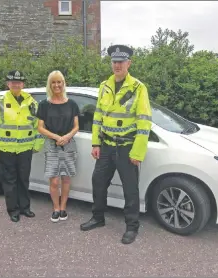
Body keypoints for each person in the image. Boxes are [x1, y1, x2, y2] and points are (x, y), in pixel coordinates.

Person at [80, 45, 152, 244]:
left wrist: (137, 151)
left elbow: (144, 121)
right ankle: (98, 217)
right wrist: (96, 143)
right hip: (106, 146)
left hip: (127, 147)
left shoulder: (138, 88)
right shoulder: (104, 86)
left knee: (130, 189)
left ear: (129, 63)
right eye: (114, 61)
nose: (117, 65)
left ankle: (132, 227)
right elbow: (98, 117)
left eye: (121, 62)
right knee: (98, 182)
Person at [0, 70, 45, 222]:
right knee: (10, 180)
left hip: (25, 149)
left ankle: (25, 208)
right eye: (13, 82)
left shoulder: (32, 103)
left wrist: (38, 143)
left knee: (24, 179)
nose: (16, 85)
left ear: (23, 84)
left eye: (19, 82)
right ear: (8, 84)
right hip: (6, 149)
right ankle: (13, 210)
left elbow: (39, 125)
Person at [36, 70, 80, 222]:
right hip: (51, 144)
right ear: (50, 84)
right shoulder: (44, 105)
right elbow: (40, 127)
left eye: (59, 82)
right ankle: (55, 208)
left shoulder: (72, 104)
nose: (56, 85)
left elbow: (76, 126)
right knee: (54, 180)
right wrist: (57, 137)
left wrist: (67, 137)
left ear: (63, 83)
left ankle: (63, 208)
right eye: (53, 82)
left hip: (69, 145)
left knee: (66, 179)